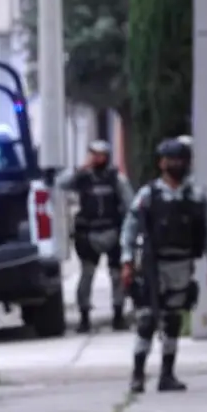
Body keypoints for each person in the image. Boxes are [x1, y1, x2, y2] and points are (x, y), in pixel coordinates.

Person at [120, 138, 207, 393]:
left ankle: (167, 374)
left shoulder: (196, 196)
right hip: (153, 265)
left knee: (173, 320)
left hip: (182, 264)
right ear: (161, 163)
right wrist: (127, 260)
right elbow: (130, 227)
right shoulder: (149, 195)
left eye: (180, 160)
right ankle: (138, 374)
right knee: (146, 319)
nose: (176, 165)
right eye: (170, 160)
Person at [57, 139, 134, 333]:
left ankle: (118, 315)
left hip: (113, 232)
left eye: (101, 155)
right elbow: (61, 183)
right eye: (94, 155)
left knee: (116, 275)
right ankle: (84, 317)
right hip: (88, 234)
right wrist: (79, 169)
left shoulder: (116, 178)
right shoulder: (82, 177)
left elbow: (129, 203)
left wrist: (130, 230)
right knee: (87, 274)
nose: (97, 159)